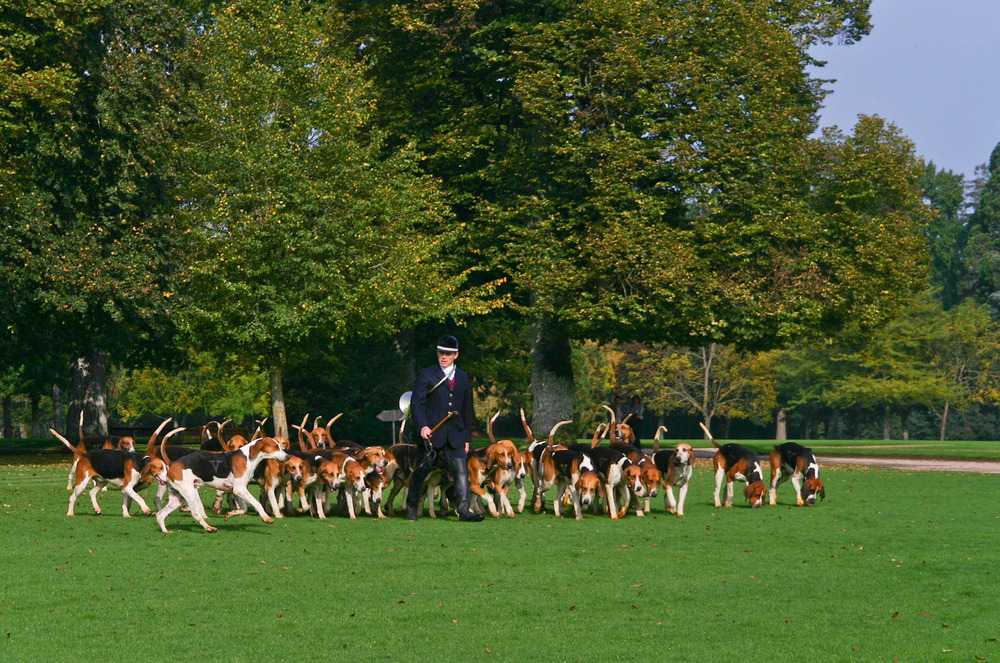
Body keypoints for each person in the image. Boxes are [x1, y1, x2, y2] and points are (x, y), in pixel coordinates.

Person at [405, 335, 484, 522]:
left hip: (455, 433)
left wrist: (466, 438)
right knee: (421, 471)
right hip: (431, 433)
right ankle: (411, 507)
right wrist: (423, 426)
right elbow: (417, 404)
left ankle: (464, 510)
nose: (444, 357)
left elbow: (466, 408)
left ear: (456, 355)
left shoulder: (463, 377)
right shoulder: (426, 374)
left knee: (461, 472)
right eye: (441, 352)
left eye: (448, 353)